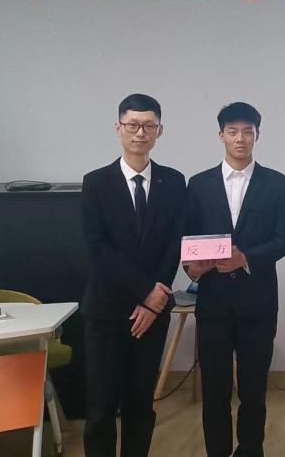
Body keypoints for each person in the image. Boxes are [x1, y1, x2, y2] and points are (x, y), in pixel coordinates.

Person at [184, 102, 285, 457]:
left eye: (248, 131)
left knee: (254, 389)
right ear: (221, 135)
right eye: (232, 131)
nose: (240, 138)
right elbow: (188, 238)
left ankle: (250, 450)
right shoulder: (199, 184)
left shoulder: (276, 183)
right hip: (213, 303)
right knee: (214, 390)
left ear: (257, 136)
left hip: (258, 303)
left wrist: (245, 257)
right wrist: (191, 268)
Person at [80, 93, 186, 457]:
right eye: (133, 125)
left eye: (149, 126)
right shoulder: (96, 183)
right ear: (118, 128)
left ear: (159, 130)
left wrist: (154, 301)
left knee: (141, 404)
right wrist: (145, 291)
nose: (141, 133)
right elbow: (98, 248)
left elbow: (175, 243)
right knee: (101, 408)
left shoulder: (173, 182)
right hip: (107, 312)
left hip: (152, 314)